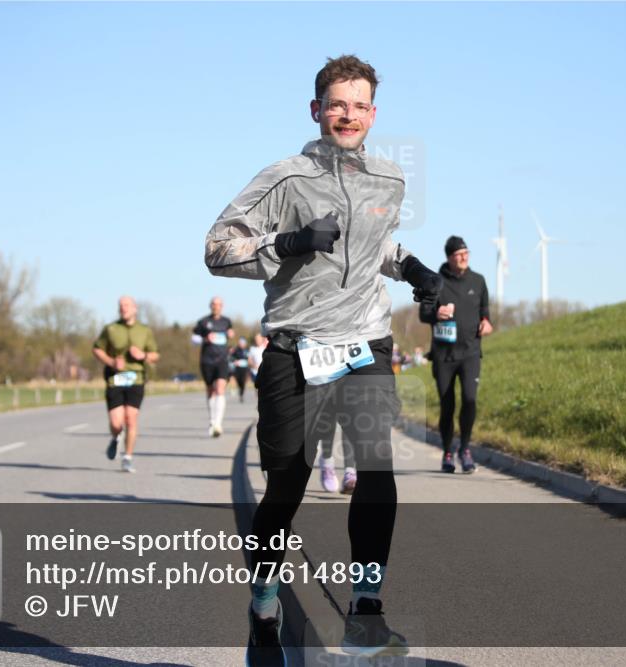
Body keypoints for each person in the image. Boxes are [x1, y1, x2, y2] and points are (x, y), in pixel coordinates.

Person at [205, 54, 442, 665]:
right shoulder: (285, 178)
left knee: (377, 471)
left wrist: (412, 268)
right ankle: (263, 601)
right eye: (337, 104)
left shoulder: (389, 179)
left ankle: (365, 611)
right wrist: (284, 242)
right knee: (287, 484)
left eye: (359, 105)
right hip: (295, 345)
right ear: (317, 110)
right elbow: (217, 248)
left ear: (373, 114)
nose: (348, 115)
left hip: (365, 341)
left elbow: (374, 244)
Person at [419, 236, 493, 474]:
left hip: (470, 352)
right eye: (459, 254)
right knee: (447, 406)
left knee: (470, 400)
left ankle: (465, 449)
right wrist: (435, 312)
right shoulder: (436, 281)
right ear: (449, 257)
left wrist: (487, 323)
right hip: (444, 355)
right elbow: (424, 313)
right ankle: (448, 451)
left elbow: (486, 314)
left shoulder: (478, 281)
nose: (464, 257)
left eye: (466, 253)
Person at [92, 296, 159, 473]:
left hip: (136, 378)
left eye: (127, 305)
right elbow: (97, 349)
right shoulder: (111, 329)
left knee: (131, 417)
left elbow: (155, 355)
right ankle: (116, 437)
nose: (124, 308)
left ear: (135, 308)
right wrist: (111, 362)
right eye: (121, 306)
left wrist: (142, 356)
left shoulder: (144, 331)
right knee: (116, 422)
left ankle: (127, 457)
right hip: (115, 378)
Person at [192, 296, 235, 437]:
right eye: (214, 304)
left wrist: (230, 334)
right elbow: (193, 338)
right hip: (207, 360)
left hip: (222, 360)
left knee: (220, 389)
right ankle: (212, 420)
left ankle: (218, 423)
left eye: (219, 304)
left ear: (222, 306)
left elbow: (230, 334)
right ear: (210, 305)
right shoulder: (203, 322)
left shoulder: (227, 321)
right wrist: (204, 338)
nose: (216, 306)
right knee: (211, 391)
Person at [231, 337, 251, 403]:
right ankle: (240, 389)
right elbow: (231, 358)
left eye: (243, 343)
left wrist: (249, 362)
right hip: (238, 368)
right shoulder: (236, 350)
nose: (241, 344)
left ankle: (241, 394)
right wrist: (234, 361)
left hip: (245, 368)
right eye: (240, 343)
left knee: (243, 381)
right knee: (238, 380)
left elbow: (250, 358)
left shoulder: (247, 350)